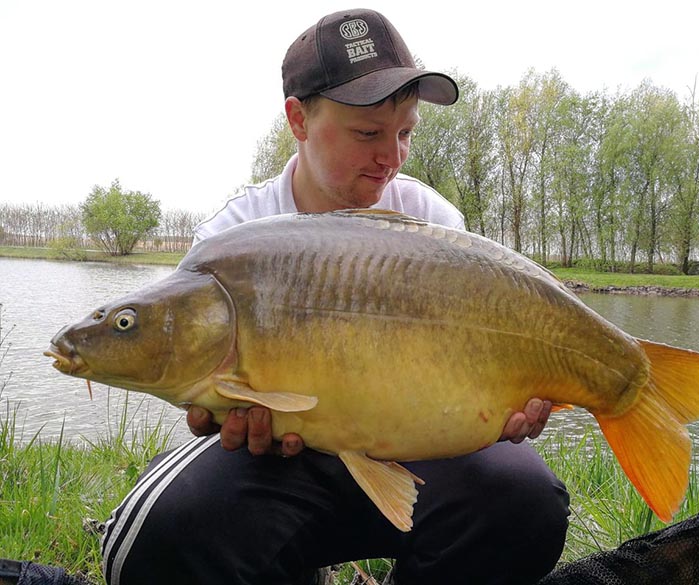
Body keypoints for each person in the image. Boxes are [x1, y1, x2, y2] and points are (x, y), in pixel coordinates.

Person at [100, 9, 570, 585]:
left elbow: (477, 375)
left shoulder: (435, 224)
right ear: (298, 119)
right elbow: (206, 404)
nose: (391, 158)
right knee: (161, 533)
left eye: (404, 134)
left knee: (526, 495)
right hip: (277, 467)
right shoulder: (231, 236)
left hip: (415, 451)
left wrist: (505, 407)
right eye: (368, 134)